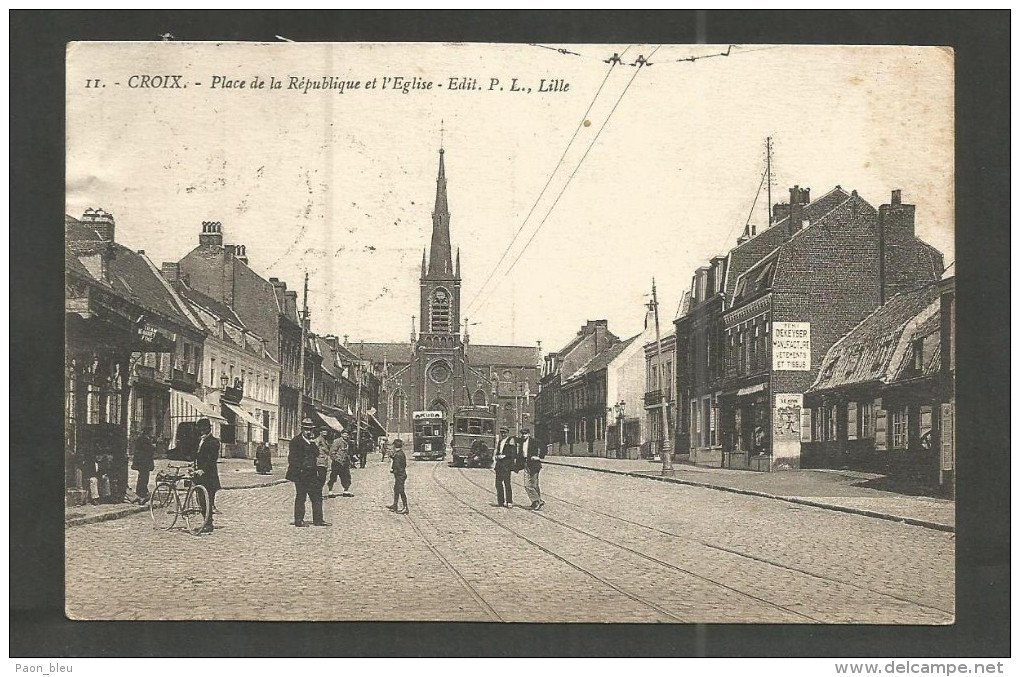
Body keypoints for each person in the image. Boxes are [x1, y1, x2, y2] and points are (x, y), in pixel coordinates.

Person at [287, 418, 329, 527]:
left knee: (317, 496)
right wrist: (299, 470)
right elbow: (292, 459)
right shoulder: (296, 441)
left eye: (310, 429)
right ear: (302, 429)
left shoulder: (312, 442)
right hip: (300, 474)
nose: (308, 432)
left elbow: (316, 454)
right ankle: (299, 520)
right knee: (301, 497)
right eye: (306, 429)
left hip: (311, 474)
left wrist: (312, 443)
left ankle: (318, 520)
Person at [193, 418, 221, 533]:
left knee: (208, 501)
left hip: (209, 476)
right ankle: (205, 522)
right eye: (200, 430)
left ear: (208, 429)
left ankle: (209, 524)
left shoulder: (214, 442)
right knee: (201, 500)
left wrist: (203, 470)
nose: (201, 431)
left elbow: (211, 459)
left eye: (203, 429)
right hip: (200, 476)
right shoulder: (200, 440)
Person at [519, 428, 545, 510]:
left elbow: (544, 447)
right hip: (526, 464)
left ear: (529, 434)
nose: (524, 435)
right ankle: (538, 501)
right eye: (522, 434)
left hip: (534, 465)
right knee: (527, 485)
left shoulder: (534, 441)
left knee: (534, 484)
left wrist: (539, 457)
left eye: (525, 434)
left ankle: (536, 502)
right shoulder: (521, 442)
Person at [493, 427, 518, 508]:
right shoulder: (500, 441)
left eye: (504, 433)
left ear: (507, 433)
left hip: (506, 465)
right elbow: (498, 451)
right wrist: (497, 456)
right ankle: (501, 501)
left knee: (507, 483)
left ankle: (509, 501)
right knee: (498, 484)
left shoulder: (510, 441)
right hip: (499, 466)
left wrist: (504, 456)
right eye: (502, 433)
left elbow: (513, 454)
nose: (503, 434)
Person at [131, 429, 156, 503]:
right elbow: (147, 450)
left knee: (143, 476)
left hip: (143, 462)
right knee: (144, 477)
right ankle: (142, 492)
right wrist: (153, 447)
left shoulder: (143, 439)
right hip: (143, 462)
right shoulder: (144, 439)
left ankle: (142, 491)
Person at [327, 430, 354, 497]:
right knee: (333, 477)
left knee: (346, 476)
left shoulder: (348, 442)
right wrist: (335, 459)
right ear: (341, 434)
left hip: (345, 462)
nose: (346, 436)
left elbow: (348, 452)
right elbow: (332, 452)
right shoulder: (337, 441)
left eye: (347, 434)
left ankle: (346, 491)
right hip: (337, 462)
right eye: (344, 434)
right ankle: (330, 491)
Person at [387, 439, 408, 514]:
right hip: (400, 474)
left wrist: (393, 470)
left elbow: (398, 466)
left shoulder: (398, 454)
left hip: (400, 475)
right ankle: (395, 505)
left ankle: (405, 508)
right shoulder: (399, 453)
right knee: (396, 490)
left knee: (401, 491)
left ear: (395, 445)